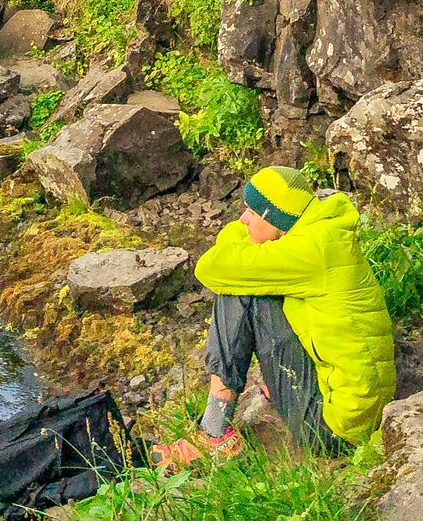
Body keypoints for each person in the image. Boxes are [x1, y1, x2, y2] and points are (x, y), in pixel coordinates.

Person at [153, 167, 395, 466]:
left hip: (334, 429)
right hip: (352, 409)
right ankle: (266, 395)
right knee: (247, 276)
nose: (243, 220)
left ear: (274, 217)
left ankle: (213, 431)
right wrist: (249, 237)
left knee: (239, 288)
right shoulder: (321, 234)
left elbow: (210, 268)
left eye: (252, 212)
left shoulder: (310, 251)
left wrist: (240, 241)